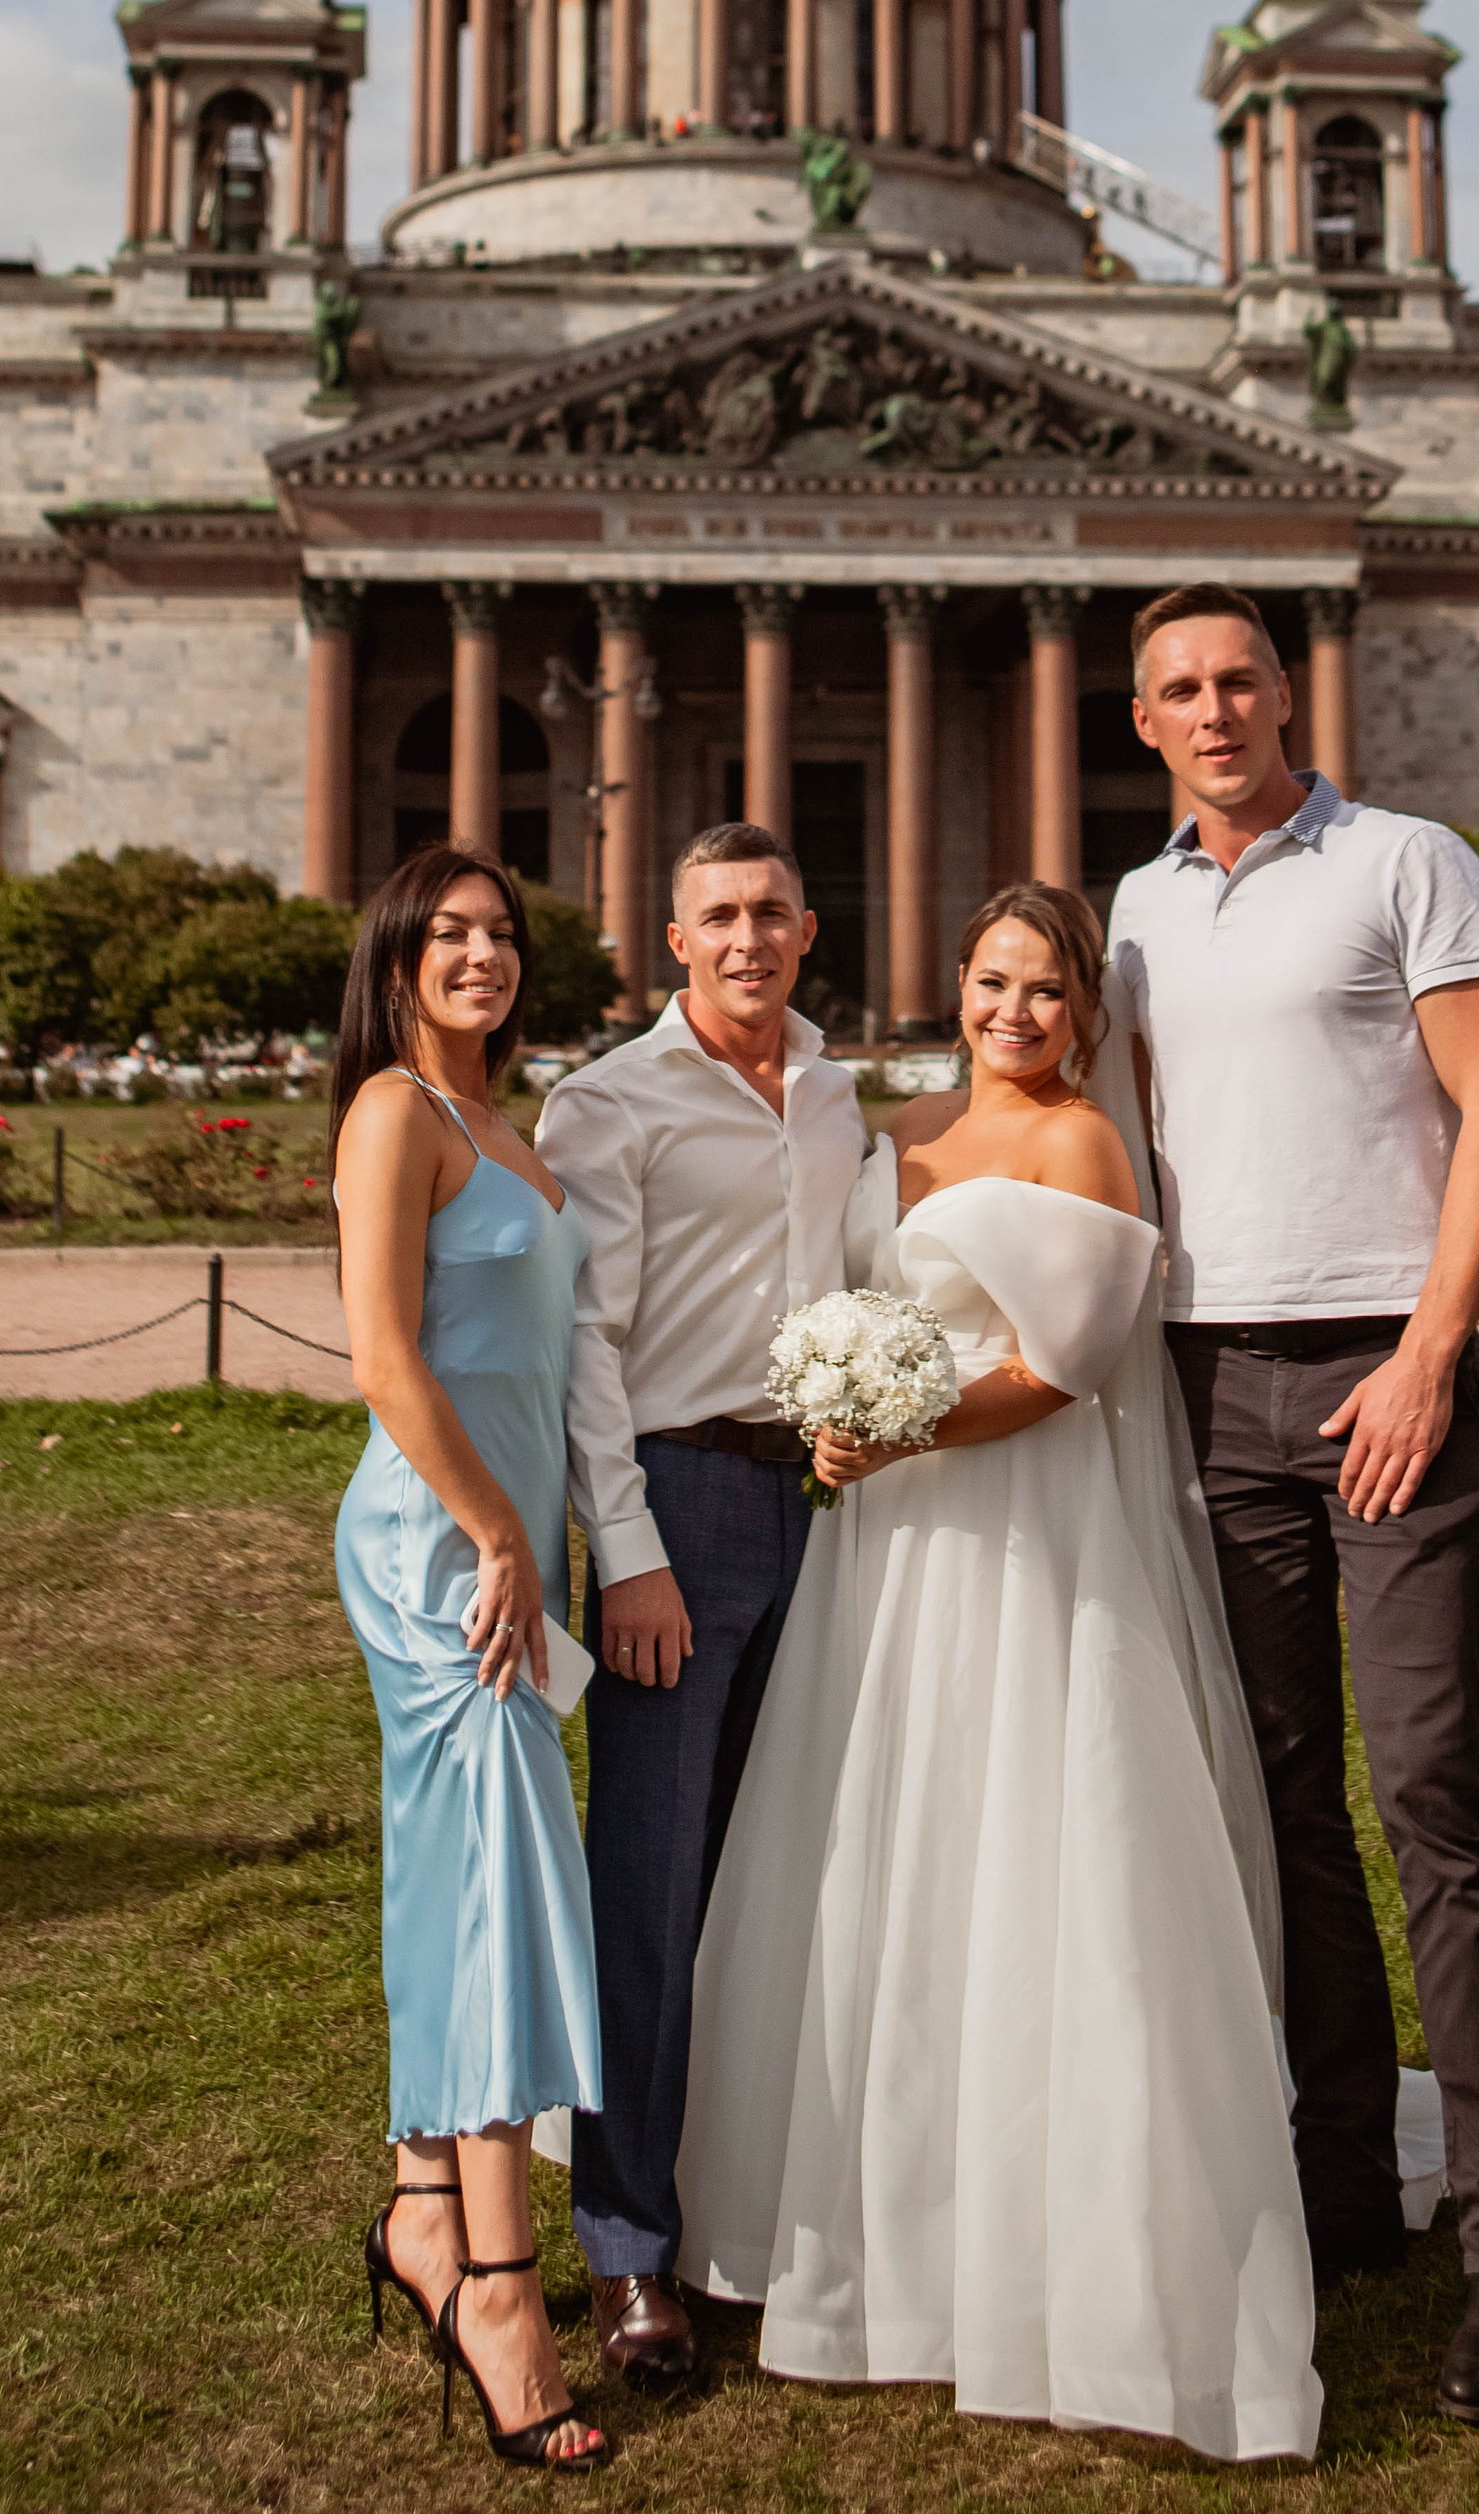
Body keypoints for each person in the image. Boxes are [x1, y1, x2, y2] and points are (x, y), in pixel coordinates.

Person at [678, 881, 1322, 2464]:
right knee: (881, 1849)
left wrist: (900, 1425)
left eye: (1044, 990)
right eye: (991, 981)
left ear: (1084, 1016)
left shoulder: (1085, 1148)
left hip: (1029, 1544)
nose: (1013, 1013)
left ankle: (1058, 2244)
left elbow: (1071, 1367)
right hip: (889, 1564)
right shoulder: (902, 1132)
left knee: (1039, 1851)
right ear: (953, 986)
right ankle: (859, 2216)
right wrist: (839, 1408)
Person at [1109, 583, 1479, 2429]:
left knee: (1429, 1789)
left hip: (1387, 1371)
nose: (1216, 711)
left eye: (1240, 680)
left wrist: (1431, 1348)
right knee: (1284, 1798)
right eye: (1180, 691)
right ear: (1142, 723)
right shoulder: (1137, 906)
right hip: (1213, 1386)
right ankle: (1342, 2183)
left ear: (1287, 697)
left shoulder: (1407, 859)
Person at [536, 822, 868, 2390]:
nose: (748, 939)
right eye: (718, 916)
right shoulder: (611, 1103)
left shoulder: (832, 1090)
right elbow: (585, 1344)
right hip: (681, 1506)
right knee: (654, 1892)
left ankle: (748, 2204)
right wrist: (630, 1549)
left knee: (789, 1869)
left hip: (829, 1502)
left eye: (772, 914)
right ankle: (629, 2250)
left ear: (811, 931)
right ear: (673, 939)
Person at [332, 843, 608, 2472]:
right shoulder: (395, 1116)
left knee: (459, 1880)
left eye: (501, 933)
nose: (482, 955)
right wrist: (502, 1536)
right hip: (443, 1553)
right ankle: (503, 2291)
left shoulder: (518, 1122)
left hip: (514, 1549)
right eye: (449, 935)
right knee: (500, 1887)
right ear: (400, 956)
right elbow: (381, 1350)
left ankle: (425, 2208)